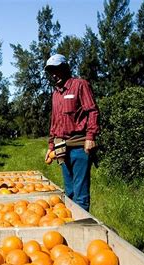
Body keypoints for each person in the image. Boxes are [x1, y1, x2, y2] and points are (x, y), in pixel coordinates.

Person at [44, 54, 100, 211]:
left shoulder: (80, 85)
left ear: (65, 68)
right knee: (69, 192)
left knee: (80, 193)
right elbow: (54, 122)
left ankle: (83, 227)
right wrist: (50, 145)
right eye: (51, 72)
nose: (54, 74)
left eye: (57, 70)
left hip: (79, 146)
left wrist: (91, 136)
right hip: (61, 146)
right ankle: (72, 222)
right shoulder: (56, 94)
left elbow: (93, 111)